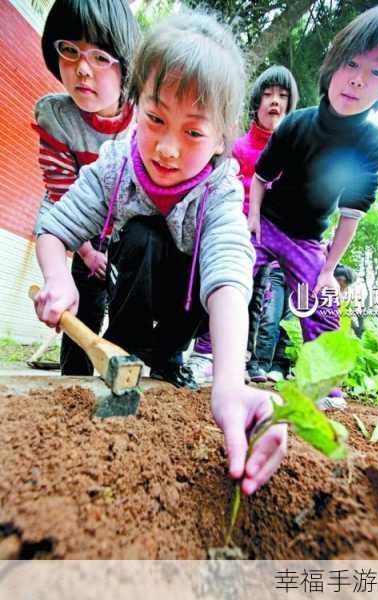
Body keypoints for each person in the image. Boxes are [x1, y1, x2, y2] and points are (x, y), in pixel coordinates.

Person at [33, 12, 288, 496]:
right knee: (144, 235)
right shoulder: (117, 164)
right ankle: (124, 351)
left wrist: (230, 382)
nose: (168, 149)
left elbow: (230, 272)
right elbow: (55, 227)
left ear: (221, 136)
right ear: (136, 105)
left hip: (186, 305)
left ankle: (169, 356)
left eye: (193, 132)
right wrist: (57, 275)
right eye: (155, 120)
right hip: (131, 284)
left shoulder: (220, 190)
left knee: (202, 271)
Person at [248, 3, 378, 410]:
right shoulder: (296, 123)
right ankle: (208, 354)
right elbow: (260, 178)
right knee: (231, 270)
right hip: (266, 222)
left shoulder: (373, 143)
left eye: (377, 72)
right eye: (351, 63)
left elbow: (352, 212)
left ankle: (320, 384)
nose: (357, 80)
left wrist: (329, 270)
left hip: (309, 238)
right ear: (334, 63)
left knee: (325, 300)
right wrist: (251, 221)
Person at [32, 0, 140, 375]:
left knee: (128, 311)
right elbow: (62, 198)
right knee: (85, 307)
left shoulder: (146, 119)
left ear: (125, 63)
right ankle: (72, 382)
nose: (81, 69)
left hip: (127, 231)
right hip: (78, 230)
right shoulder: (56, 117)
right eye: (70, 51)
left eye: (99, 57)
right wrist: (88, 253)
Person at [186, 65, 299, 385]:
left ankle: (244, 361)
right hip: (231, 231)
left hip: (271, 237)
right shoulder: (236, 145)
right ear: (257, 101)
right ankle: (204, 353)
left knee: (260, 300)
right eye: (268, 94)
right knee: (223, 288)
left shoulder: (293, 152)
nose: (274, 101)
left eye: (282, 96)